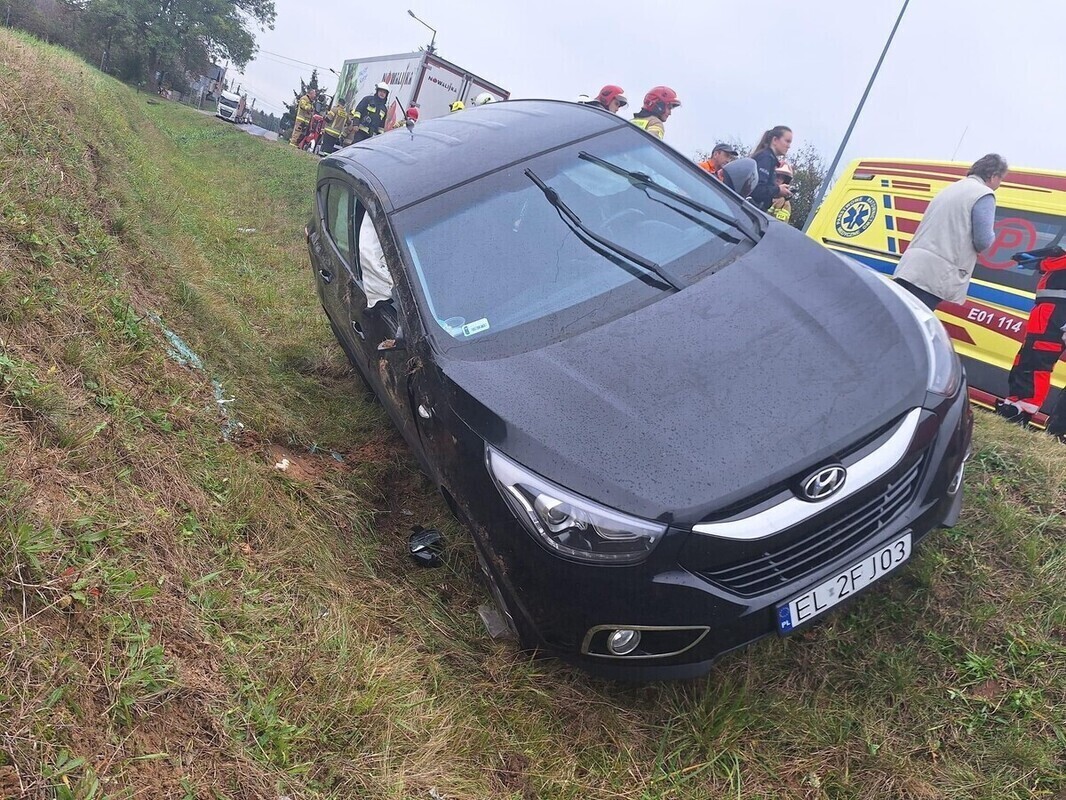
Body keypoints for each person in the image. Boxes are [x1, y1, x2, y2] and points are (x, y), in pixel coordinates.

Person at [893, 153, 1007, 310]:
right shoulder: (984, 194)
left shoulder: (950, 188)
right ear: (994, 175)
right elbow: (983, 240)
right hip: (934, 275)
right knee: (910, 327)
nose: (999, 184)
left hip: (911, 267)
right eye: (1001, 179)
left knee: (895, 319)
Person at [996, 246, 1066, 442]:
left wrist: (1041, 260)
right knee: (1026, 362)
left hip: (1055, 319)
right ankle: (1015, 408)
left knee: (1036, 366)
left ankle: (1025, 413)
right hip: (1046, 317)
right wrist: (1042, 258)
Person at [749, 125, 792, 210]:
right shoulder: (766, 158)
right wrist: (778, 190)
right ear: (775, 140)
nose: (789, 146)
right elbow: (757, 189)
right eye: (787, 141)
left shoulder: (766, 157)